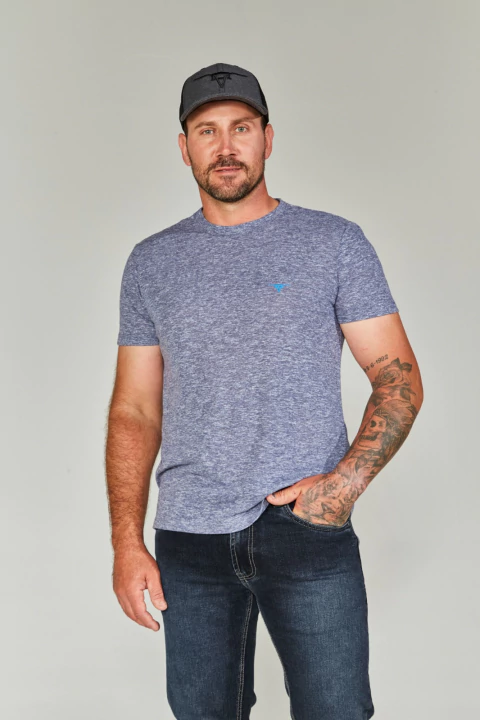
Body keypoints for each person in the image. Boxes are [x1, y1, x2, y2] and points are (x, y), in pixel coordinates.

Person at [105, 62, 424, 720]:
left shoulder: (333, 243)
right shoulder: (152, 262)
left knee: (337, 712)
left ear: (268, 138)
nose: (226, 147)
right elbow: (134, 411)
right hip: (189, 535)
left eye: (242, 128)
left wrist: (342, 488)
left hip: (305, 530)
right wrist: (126, 543)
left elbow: (398, 380)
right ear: (184, 147)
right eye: (207, 130)